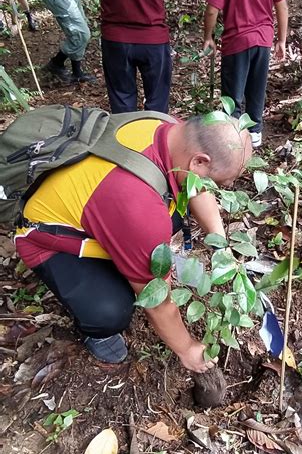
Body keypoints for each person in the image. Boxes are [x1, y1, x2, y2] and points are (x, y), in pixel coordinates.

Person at [14, 115, 252, 372]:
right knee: (111, 311)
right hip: (48, 237)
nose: (220, 188)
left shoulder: (171, 131)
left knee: (159, 227)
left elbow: (197, 187)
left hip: (100, 204)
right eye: (219, 182)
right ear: (199, 161)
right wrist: (187, 349)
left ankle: (131, 253)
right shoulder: (139, 208)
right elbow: (157, 299)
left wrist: (221, 245)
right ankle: (96, 330)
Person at [203, 0, 288, 149]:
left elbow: (212, 9)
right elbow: (281, 6)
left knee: (233, 93)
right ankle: (255, 131)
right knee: (256, 88)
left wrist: (208, 37)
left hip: (236, 40)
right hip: (263, 39)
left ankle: (232, 137)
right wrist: (281, 39)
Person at [82, 0, 179, 114]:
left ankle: (126, 142)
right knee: (157, 105)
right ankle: (153, 141)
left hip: (116, 38)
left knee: (122, 105)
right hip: (154, 38)